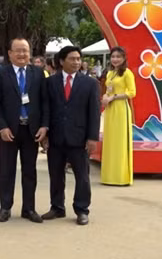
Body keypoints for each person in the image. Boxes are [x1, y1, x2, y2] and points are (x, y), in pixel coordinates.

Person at [0, 38, 49, 223]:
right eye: (18, 50)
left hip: (31, 130)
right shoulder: (1, 74)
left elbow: (45, 102)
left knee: (30, 171)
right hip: (10, 130)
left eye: (25, 50)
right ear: (10, 53)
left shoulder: (38, 74)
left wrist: (44, 126)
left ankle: (29, 209)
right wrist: (2, 127)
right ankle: (5, 207)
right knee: (7, 170)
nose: (22, 54)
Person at [42, 46, 100, 226]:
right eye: (72, 59)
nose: (76, 62)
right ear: (61, 61)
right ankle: (57, 207)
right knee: (56, 174)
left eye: (78, 59)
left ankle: (82, 209)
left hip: (80, 137)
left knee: (82, 176)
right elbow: (46, 109)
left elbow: (94, 112)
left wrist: (92, 137)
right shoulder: (50, 82)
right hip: (56, 136)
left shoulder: (90, 84)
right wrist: (45, 134)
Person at [101, 46, 136, 186]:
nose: (115, 59)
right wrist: (105, 97)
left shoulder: (127, 73)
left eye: (118, 57)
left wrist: (114, 97)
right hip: (109, 109)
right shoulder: (110, 73)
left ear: (123, 58)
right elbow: (107, 90)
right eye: (113, 56)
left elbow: (132, 92)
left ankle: (121, 177)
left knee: (120, 141)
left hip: (121, 108)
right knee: (110, 140)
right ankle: (109, 176)